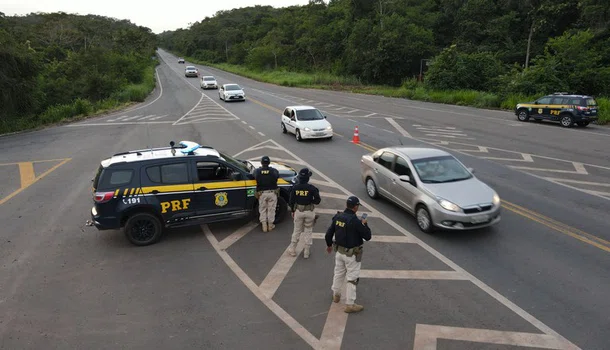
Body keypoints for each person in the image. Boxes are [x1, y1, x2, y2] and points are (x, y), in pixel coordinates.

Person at [325, 196, 371, 313]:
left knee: (338, 273)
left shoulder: (338, 217)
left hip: (339, 252)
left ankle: (336, 295)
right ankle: (350, 304)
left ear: (346, 205)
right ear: (355, 207)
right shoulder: (355, 221)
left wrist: (329, 245)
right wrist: (364, 224)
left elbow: (328, 234)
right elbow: (367, 236)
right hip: (352, 255)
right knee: (352, 279)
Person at [287, 167, 321, 259]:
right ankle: (306, 251)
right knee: (308, 231)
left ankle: (293, 249)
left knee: (297, 231)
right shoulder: (312, 188)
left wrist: (293, 211)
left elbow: (291, 201)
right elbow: (318, 201)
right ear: (308, 178)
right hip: (309, 211)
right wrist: (311, 201)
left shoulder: (295, 188)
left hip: (298, 211)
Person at [254, 156, 280, 232]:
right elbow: (277, 176)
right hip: (272, 193)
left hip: (262, 194)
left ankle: (264, 226)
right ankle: (270, 225)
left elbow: (253, 175)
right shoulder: (274, 171)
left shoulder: (257, 171)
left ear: (261, 163)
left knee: (262, 209)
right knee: (271, 209)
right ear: (269, 163)